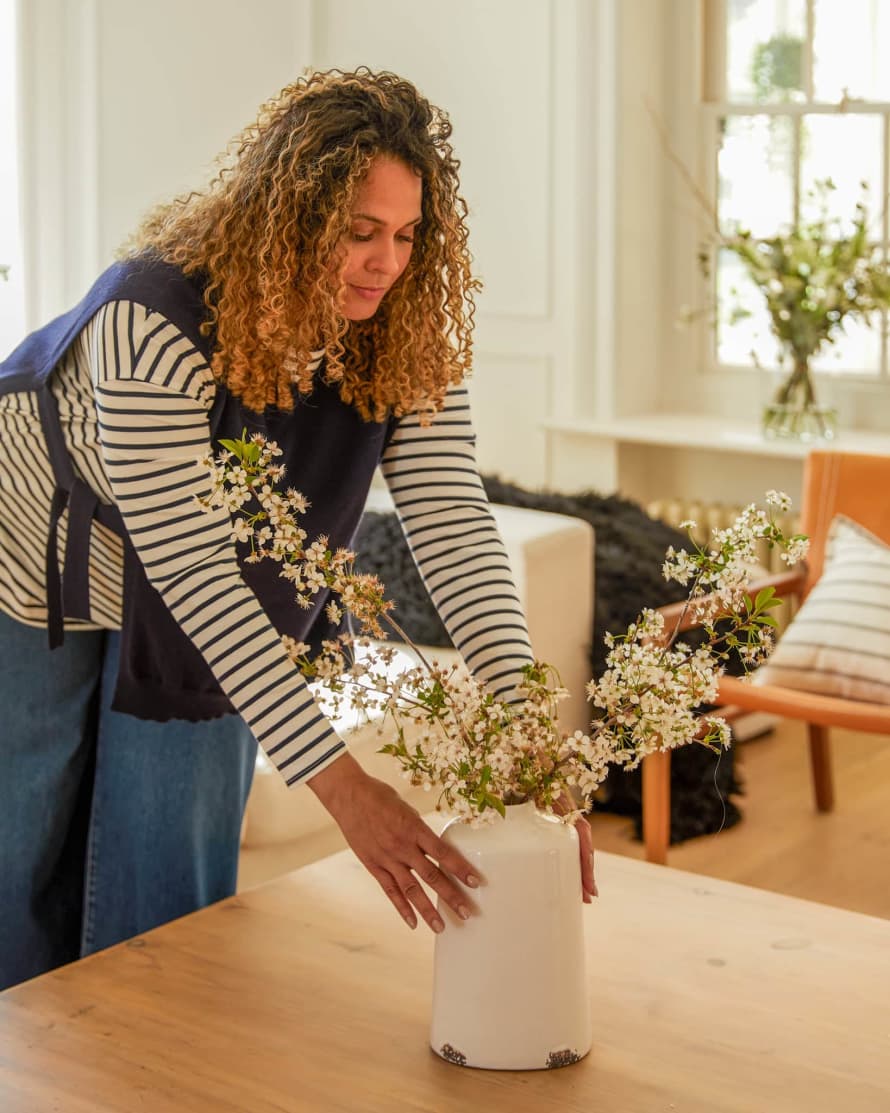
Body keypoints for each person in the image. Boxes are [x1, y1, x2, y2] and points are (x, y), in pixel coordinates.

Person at [0, 68, 595, 991]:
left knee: (170, 888)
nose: (384, 262)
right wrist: (346, 787)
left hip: (183, 563)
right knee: (20, 852)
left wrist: (528, 723)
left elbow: (453, 524)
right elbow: (193, 568)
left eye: (405, 235)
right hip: (31, 546)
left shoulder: (400, 337)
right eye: (359, 232)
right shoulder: (147, 313)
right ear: (291, 218)